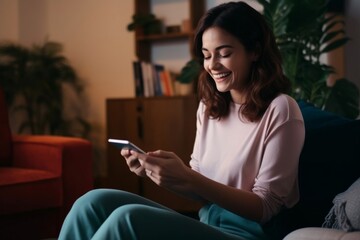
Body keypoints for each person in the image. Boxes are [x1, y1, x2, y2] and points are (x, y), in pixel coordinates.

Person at [58, 2, 305, 240]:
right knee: (92, 202)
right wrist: (158, 173)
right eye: (207, 55)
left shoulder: (281, 109)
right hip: (207, 224)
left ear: (255, 50)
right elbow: (199, 189)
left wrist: (188, 177)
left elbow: (266, 207)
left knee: (128, 219)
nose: (212, 65)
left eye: (224, 53)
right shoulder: (210, 107)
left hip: (247, 234)